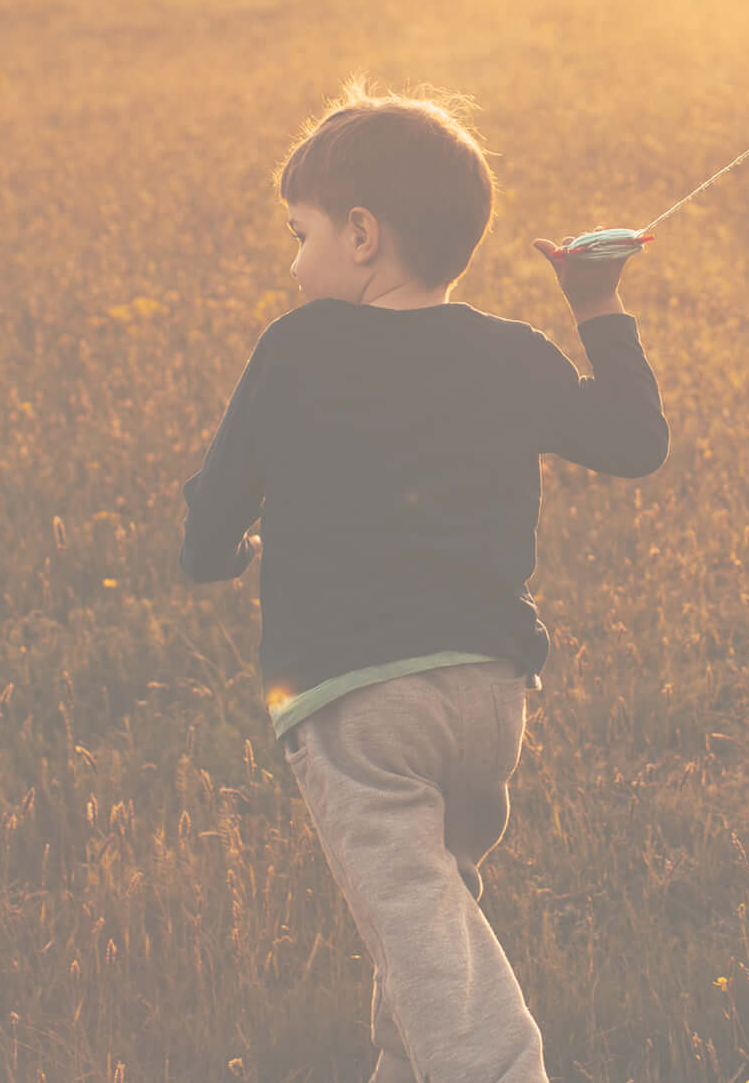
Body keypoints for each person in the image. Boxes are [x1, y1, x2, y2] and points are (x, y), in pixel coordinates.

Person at [179, 92, 669, 1083]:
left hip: (355, 700)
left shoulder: (297, 344)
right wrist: (596, 305)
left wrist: (217, 552)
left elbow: (213, 509)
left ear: (360, 234)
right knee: (430, 915)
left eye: (300, 233)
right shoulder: (511, 351)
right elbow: (631, 442)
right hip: (488, 696)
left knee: (417, 921)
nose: (293, 262)